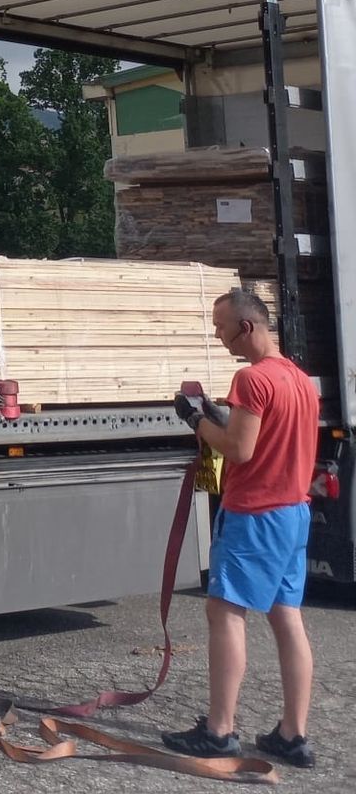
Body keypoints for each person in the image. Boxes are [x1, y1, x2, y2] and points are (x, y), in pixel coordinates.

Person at [162, 287, 318, 768]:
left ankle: (219, 729)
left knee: (225, 614)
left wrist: (195, 420)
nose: (217, 334)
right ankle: (293, 734)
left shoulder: (251, 379)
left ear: (246, 327)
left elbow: (240, 450)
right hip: (293, 512)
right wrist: (221, 418)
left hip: (255, 514)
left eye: (221, 326)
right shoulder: (298, 378)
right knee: (287, 618)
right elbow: (265, 433)